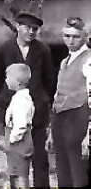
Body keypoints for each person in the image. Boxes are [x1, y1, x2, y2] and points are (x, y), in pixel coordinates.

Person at [0, 11, 54, 189]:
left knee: (40, 159)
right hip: (13, 111)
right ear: (18, 27)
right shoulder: (5, 49)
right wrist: (6, 98)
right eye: (27, 28)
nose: (31, 32)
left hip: (37, 113)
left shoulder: (43, 50)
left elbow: (49, 80)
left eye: (35, 29)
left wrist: (42, 98)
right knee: (16, 159)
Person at [47, 17, 91, 188]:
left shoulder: (88, 60)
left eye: (76, 36)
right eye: (67, 36)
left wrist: (89, 133)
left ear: (85, 36)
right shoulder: (64, 61)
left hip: (78, 117)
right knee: (62, 167)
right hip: (61, 119)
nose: (70, 40)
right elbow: (58, 94)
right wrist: (52, 129)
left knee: (77, 169)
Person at [4, 63, 35, 189]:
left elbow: (21, 123)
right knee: (14, 171)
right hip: (16, 140)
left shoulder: (21, 100)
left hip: (19, 141)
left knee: (19, 172)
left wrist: (13, 138)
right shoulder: (19, 97)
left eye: (7, 77)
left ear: (17, 82)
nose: (6, 80)